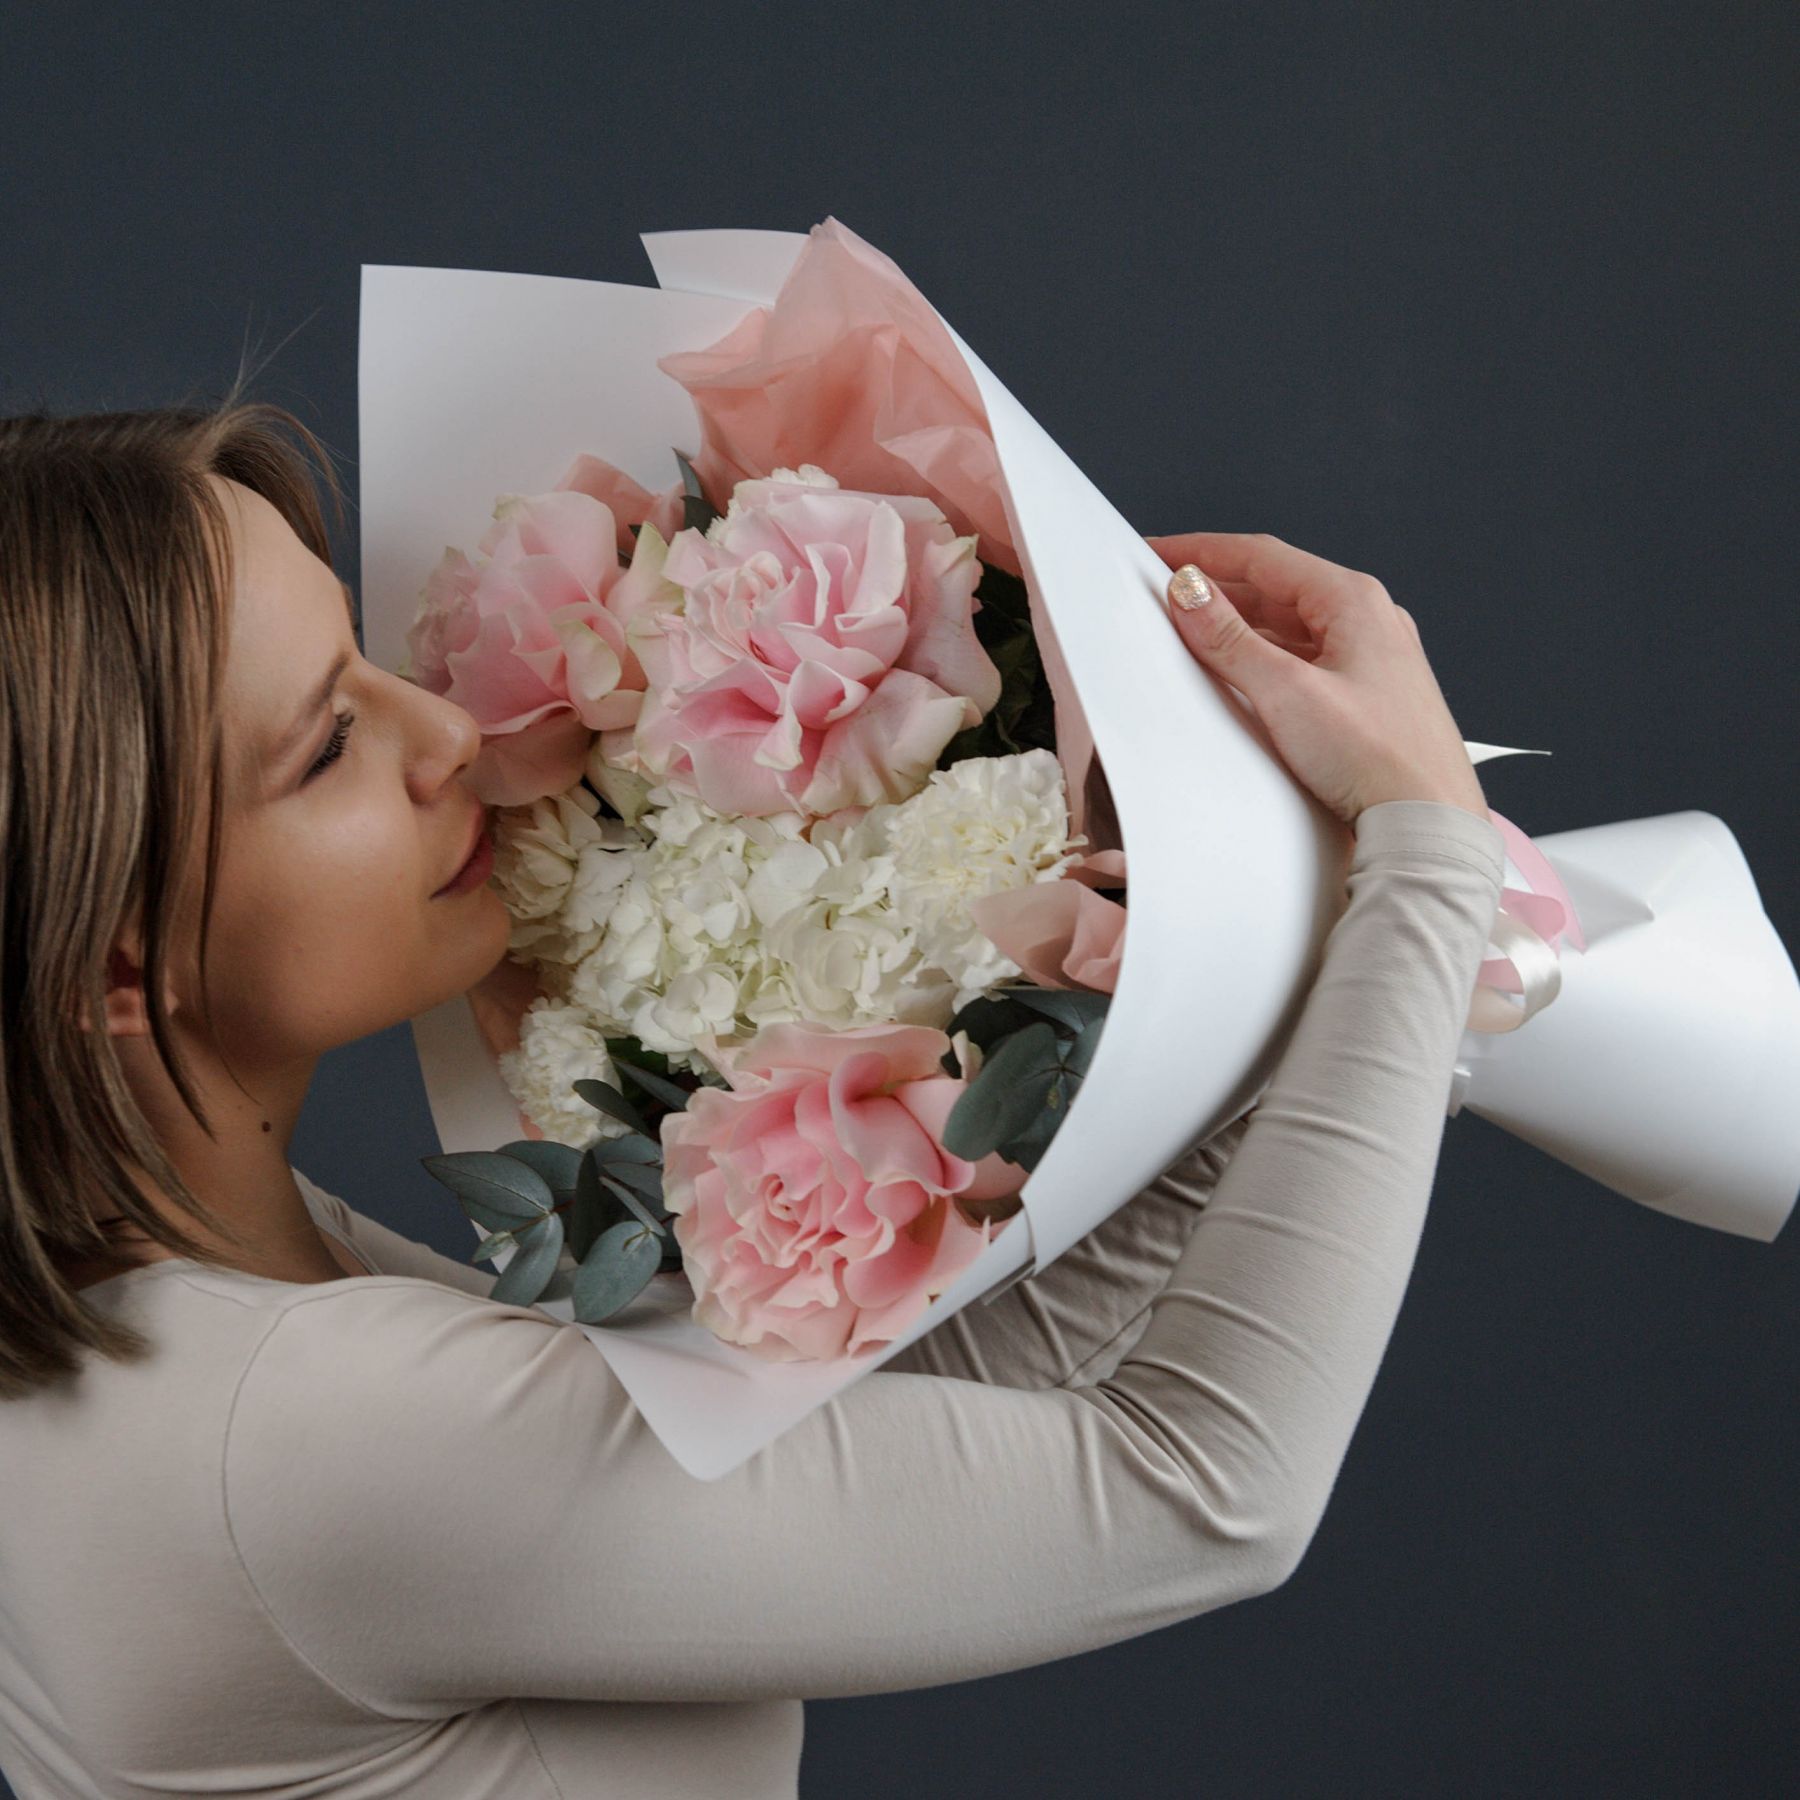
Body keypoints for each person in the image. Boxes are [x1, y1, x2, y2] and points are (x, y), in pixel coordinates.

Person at [0, 393, 1503, 1798]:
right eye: (329, 741)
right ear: (111, 960)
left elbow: (904, 1442)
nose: (447, 734)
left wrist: (1277, 990)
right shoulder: (297, 1433)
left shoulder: (182, 1295)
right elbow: (1200, 1490)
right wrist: (1426, 849)